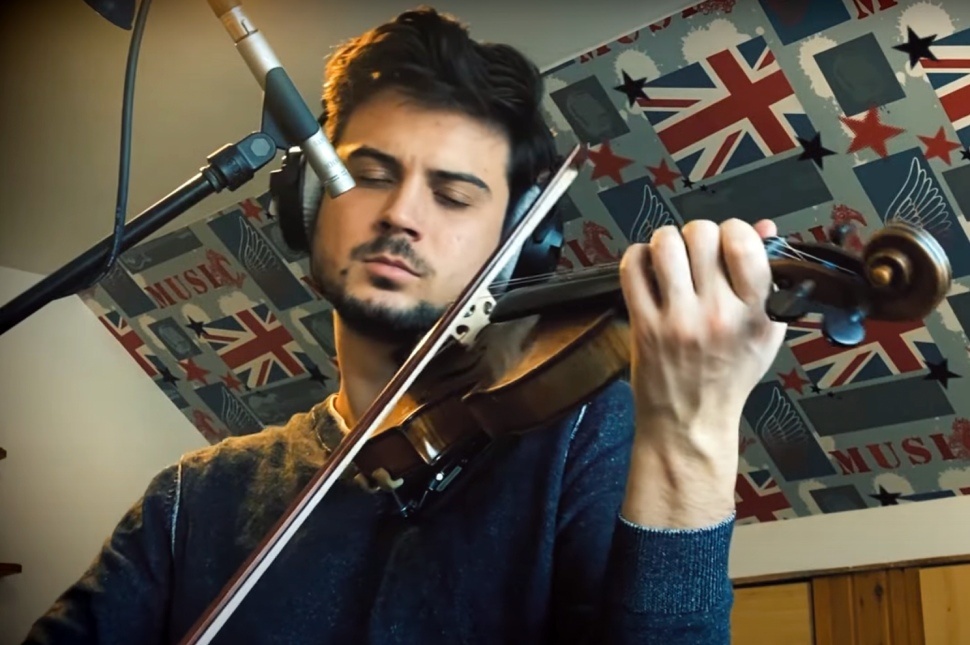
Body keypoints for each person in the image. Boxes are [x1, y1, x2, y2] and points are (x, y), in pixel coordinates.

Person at [23, 7, 786, 644]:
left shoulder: (581, 437)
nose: (400, 214)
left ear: (516, 243)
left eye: (453, 195)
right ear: (307, 204)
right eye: (369, 175)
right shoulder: (194, 497)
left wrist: (693, 434)